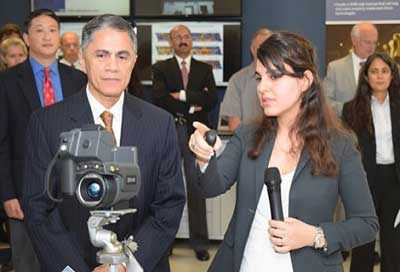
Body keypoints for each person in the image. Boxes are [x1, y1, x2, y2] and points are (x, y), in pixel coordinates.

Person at [188, 31, 379, 271]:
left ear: (305, 80)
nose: (262, 87)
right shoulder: (248, 135)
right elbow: (211, 186)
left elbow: (366, 224)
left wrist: (314, 235)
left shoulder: (340, 145)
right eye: (259, 77)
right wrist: (204, 157)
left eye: (275, 76)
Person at [22, 14, 185, 272]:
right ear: (83, 61)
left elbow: (170, 203)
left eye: (122, 56)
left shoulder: (160, 123)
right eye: (101, 55)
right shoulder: (47, 123)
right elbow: (38, 208)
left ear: (134, 62)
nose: (112, 66)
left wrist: (125, 264)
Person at [0, 9, 86, 272]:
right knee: (27, 263)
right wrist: (8, 194)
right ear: (26, 38)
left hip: (73, 189)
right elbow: (2, 141)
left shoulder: (78, 80)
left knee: (72, 263)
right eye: (39, 30)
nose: (47, 36)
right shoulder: (7, 82)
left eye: (52, 30)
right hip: (25, 192)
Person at [152, 24, 217, 261]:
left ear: (192, 40)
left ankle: (200, 243)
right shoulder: (160, 68)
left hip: (194, 133)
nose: (183, 40)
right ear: (170, 41)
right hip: (170, 131)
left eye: (186, 36)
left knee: (195, 188)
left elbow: (210, 100)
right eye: (178, 37)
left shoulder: (204, 68)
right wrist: (192, 105)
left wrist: (180, 96)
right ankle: (165, 242)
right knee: (167, 188)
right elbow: (160, 99)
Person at [343, 52, 400, 272]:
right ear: (366, 76)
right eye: (374, 71)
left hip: (395, 180)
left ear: (392, 75)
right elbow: (347, 150)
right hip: (365, 180)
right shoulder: (352, 109)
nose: (379, 76)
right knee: (364, 241)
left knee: (393, 241)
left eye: (385, 71)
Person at [219, 28, 272, 131]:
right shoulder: (237, 80)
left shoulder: (284, 79)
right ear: (252, 50)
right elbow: (234, 125)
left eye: (270, 47)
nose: (266, 52)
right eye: (261, 47)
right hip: (249, 144)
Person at [324, 22, 378, 116]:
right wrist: (348, 110)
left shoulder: (383, 68)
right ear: (354, 41)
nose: (372, 47)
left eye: (374, 42)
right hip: (346, 127)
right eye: (368, 42)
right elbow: (325, 101)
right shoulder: (335, 68)